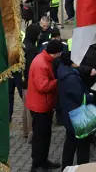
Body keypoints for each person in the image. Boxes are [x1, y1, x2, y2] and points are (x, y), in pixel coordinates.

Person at [26, 40, 63, 172]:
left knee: (45, 135)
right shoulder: (41, 64)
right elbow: (42, 86)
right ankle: (36, 165)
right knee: (39, 137)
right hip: (39, 106)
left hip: (44, 105)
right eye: (59, 53)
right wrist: (58, 82)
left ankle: (43, 160)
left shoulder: (45, 59)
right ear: (55, 53)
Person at [56, 52, 92, 170]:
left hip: (68, 114)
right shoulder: (71, 78)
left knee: (70, 143)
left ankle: (66, 167)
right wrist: (90, 96)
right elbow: (80, 97)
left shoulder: (63, 72)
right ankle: (83, 168)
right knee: (82, 146)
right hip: (78, 116)